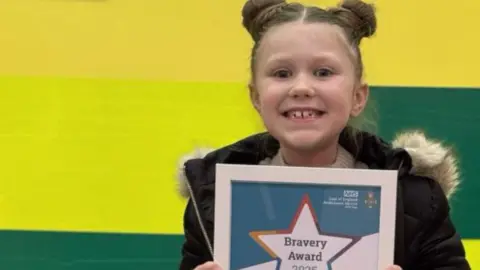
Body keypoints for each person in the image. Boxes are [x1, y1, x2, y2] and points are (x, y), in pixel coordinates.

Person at [176, 0, 471, 269]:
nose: (301, 87)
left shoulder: (415, 198)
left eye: (323, 72)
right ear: (256, 97)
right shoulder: (214, 198)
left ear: (358, 96)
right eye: (281, 73)